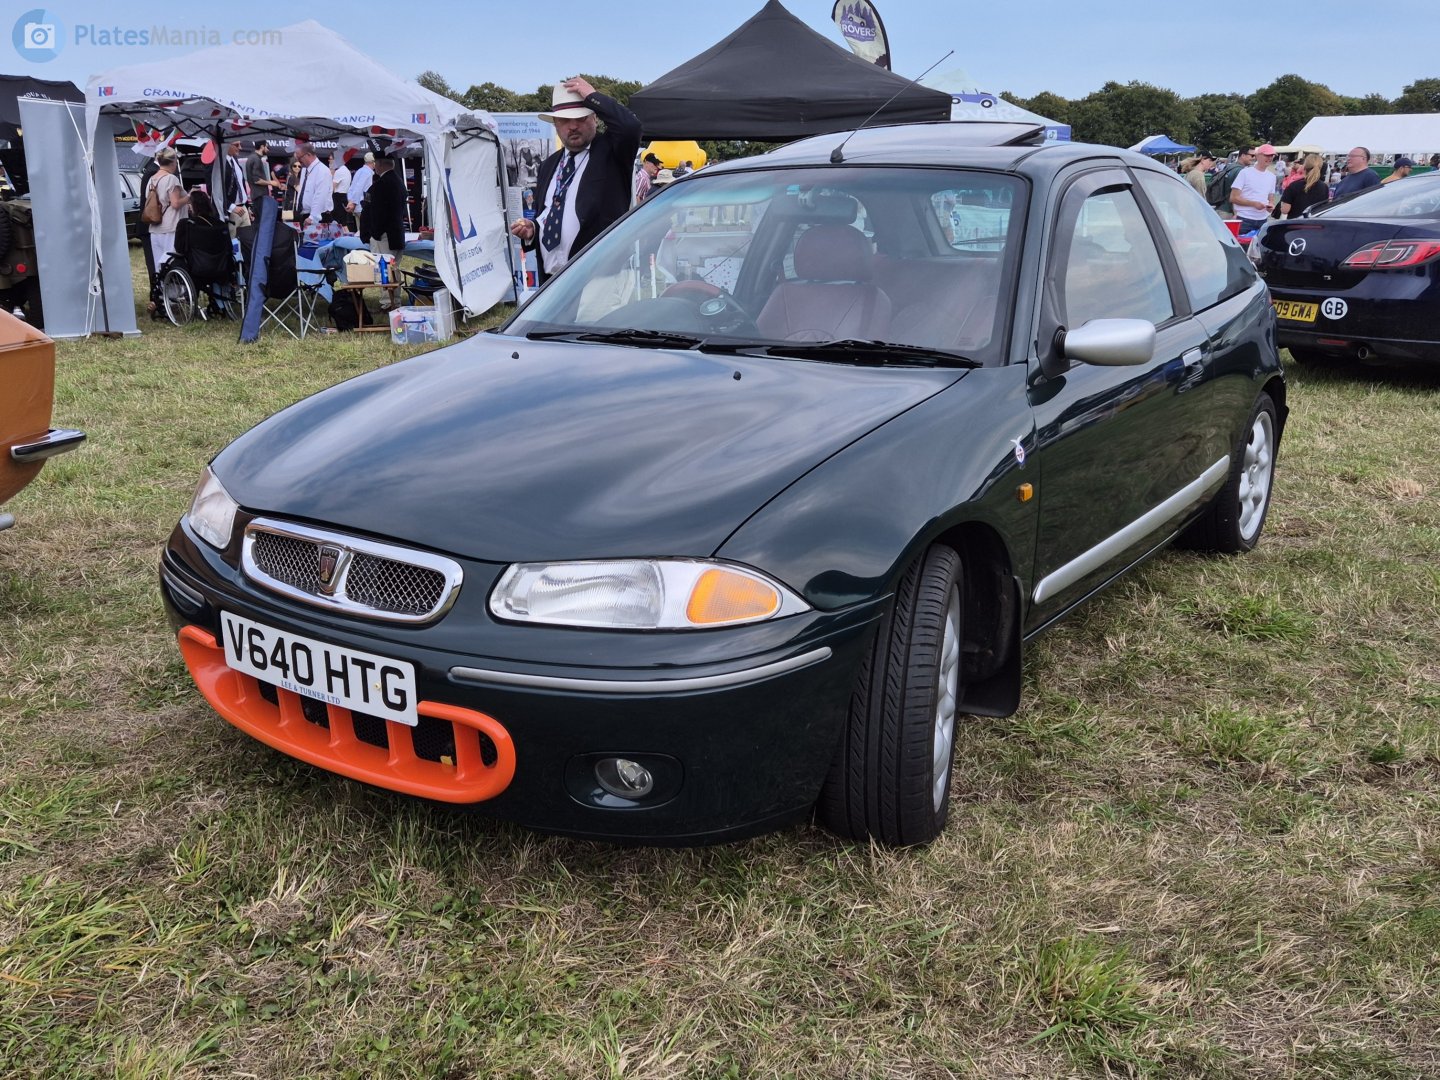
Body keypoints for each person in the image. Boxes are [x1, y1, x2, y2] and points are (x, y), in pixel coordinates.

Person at [508, 77, 642, 282]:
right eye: (564, 120)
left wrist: (593, 97)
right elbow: (551, 212)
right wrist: (533, 229)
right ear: (555, 124)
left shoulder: (612, 153)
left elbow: (630, 127)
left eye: (580, 118)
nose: (573, 126)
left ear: (594, 119)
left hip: (600, 277)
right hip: (553, 281)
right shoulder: (549, 165)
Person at [146, 146, 191, 269]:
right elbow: (175, 203)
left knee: (159, 265)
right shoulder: (171, 179)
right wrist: (189, 196)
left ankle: (162, 287)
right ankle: (175, 288)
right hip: (171, 227)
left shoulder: (151, 179)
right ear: (173, 162)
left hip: (155, 228)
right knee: (173, 263)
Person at [1229, 143, 1278, 234]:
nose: (1270, 158)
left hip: (1263, 220)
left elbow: (1270, 198)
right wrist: (1254, 204)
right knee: (1244, 247)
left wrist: (1270, 206)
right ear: (1257, 156)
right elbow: (1233, 198)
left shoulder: (1272, 177)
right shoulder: (1245, 173)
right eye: (1267, 155)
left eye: (1272, 155)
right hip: (1244, 219)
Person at [291, 142, 332, 230]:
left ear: (308, 155)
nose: (298, 161)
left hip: (316, 217)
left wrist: (313, 217)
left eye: (299, 158)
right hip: (304, 214)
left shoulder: (322, 170)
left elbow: (320, 195)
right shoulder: (305, 170)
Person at [1279, 153, 1330, 218]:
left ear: (1304, 166)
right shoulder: (1324, 187)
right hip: (1315, 224)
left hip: (1296, 224)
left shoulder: (1294, 185)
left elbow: (1285, 210)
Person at [243, 140, 277, 221]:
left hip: (257, 196)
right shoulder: (256, 159)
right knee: (261, 222)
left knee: (260, 221)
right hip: (259, 196)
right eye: (267, 147)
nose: (268, 150)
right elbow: (257, 180)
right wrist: (271, 182)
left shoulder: (254, 158)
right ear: (262, 147)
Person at [1216, 147, 1253, 219]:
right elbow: (1235, 194)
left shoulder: (1230, 166)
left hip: (1220, 207)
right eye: (1252, 155)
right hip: (1229, 212)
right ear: (1243, 155)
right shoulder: (1241, 171)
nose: (1253, 158)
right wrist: (1236, 213)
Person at [347, 151, 375, 239]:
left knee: (361, 231)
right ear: (373, 162)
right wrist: (353, 203)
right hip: (361, 206)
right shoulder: (367, 173)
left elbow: (352, 188)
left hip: (357, 206)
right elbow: (359, 188)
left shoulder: (360, 171)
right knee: (364, 232)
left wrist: (350, 201)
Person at [222, 141, 251, 227]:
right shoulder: (218, 163)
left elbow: (241, 184)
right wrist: (231, 207)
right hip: (230, 211)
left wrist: (247, 206)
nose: (240, 148)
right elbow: (213, 189)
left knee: (247, 238)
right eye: (237, 145)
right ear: (227, 145)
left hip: (243, 208)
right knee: (232, 239)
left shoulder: (234, 159)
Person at [331, 154, 352, 226]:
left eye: (331, 159)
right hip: (344, 197)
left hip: (338, 198)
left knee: (339, 223)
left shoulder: (339, 171)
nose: (330, 161)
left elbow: (332, 188)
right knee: (343, 223)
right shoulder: (346, 170)